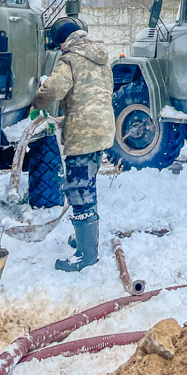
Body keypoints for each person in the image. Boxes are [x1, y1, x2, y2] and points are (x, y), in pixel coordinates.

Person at [31, 18, 116, 272]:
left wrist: (35, 101)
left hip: (83, 132)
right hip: (102, 128)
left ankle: (86, 254)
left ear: (62, 42)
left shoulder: (69, 60)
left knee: (79, 190)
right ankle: (85, 237)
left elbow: (54, 90)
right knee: (88, 184)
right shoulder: (100, 57)